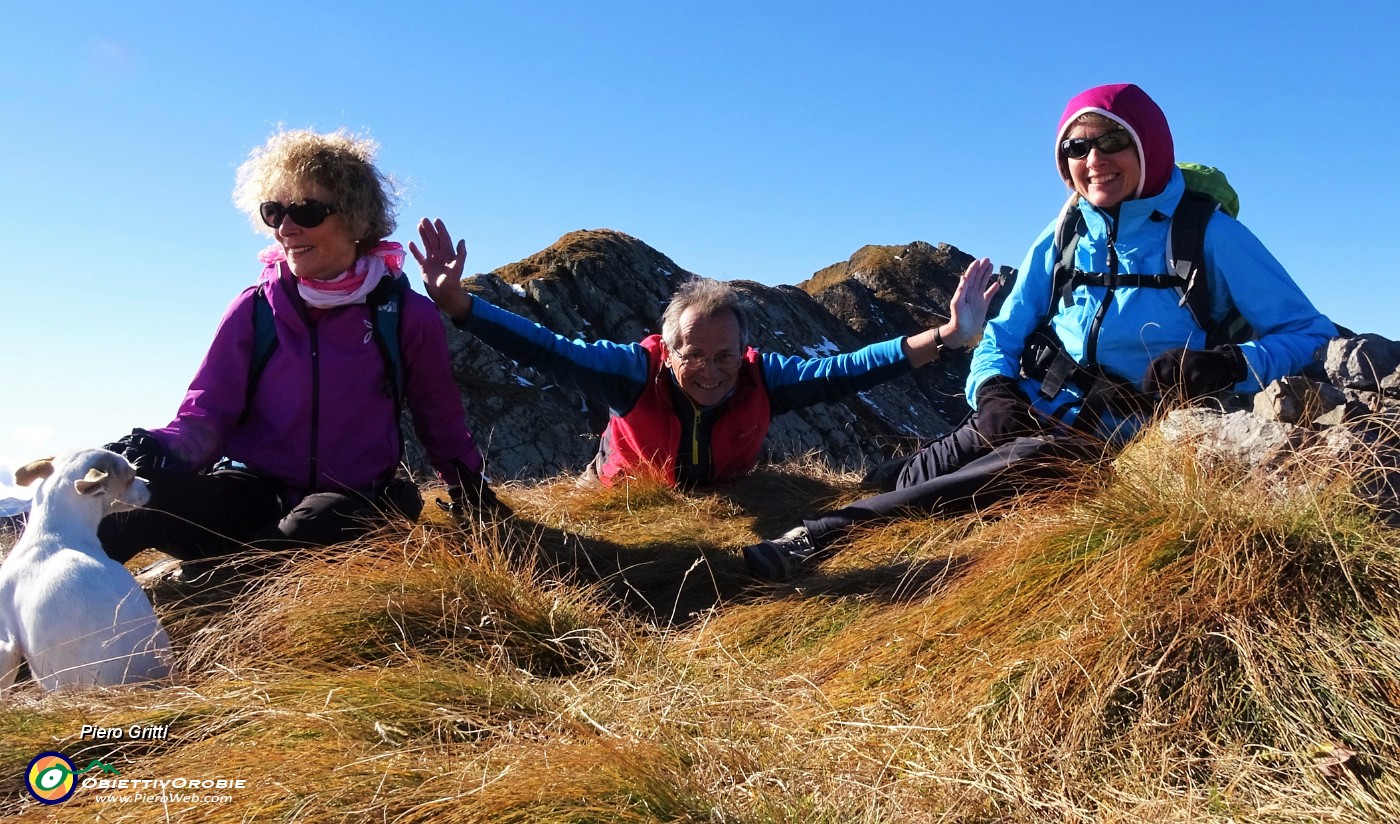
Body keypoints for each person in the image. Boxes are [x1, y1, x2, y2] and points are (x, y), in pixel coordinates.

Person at [744, 82, 1338, 582]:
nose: (1094, 159)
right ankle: (809, 515)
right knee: (900, 477)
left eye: (1112, 141)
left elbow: (1310, 332)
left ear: (1148, 147)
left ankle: (823, 539)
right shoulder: (1064, 233)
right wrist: (993, 391)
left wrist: (1232, 364)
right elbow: (1003, 332)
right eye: (1077, 146)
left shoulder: (1208, 235)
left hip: (1117, 436)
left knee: (978, 481)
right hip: (1028, 406)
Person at [99, 129, 506, 578]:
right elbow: (205, 416)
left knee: (319, 522)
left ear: (357, 219)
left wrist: (472, 493)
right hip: (251, 492)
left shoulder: (405, 315)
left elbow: (440, 419)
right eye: (274, 211)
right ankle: (18, 620)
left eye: (307, 211)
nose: (286, 229)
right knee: (130, 500)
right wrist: (148, 451)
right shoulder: (254, 308)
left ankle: (222, 579)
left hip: (349, 500)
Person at [411, 219, 1002, 488]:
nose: (711, 370)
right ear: (666, 349)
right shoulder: (630, 373)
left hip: (727, 504)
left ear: (744, 349)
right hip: (616, 500)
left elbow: (848, 370)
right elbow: (548, 349)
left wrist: (949, 337)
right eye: (693, 353)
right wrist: (460, 305)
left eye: (726, 355)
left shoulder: (763, 379)